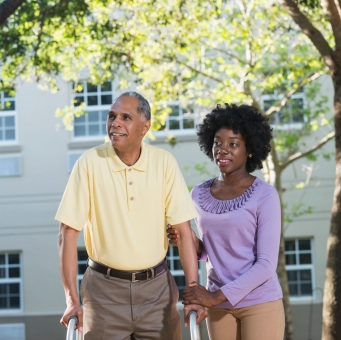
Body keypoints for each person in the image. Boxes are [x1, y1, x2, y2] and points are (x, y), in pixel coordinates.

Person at [56, 92, 207, 340]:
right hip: (104, 293)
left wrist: (192, 291)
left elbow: (183, 230)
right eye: (112, 116)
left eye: (126, 117)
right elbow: (67, 234)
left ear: (145, 127)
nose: (115, 123)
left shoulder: (164, 163)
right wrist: (72, 299)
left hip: (157, 291)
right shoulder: (89, 163)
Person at [168, 103, 284, 340]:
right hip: (219, 306)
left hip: (259, 301)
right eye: (217, 142)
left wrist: (214, 297)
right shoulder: (198, 194)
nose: (222, 149)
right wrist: (184, 238)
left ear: (249, 149)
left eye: (233, 144)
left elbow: (266, 265)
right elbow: (209, 250)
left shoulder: (265, 195)